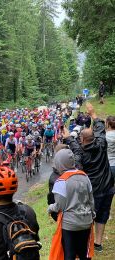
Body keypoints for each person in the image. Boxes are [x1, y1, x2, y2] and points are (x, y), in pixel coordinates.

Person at [64, 103, 114, 252]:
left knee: (89, 216)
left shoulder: (81, 154)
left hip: (92, 190)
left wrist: (68, 138)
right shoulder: (101, 144)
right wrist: (93, 114)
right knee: (103, 215)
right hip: (108, 186)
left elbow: (76, 148)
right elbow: (100, 129)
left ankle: (89, 243)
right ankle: (98, 243)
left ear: (82, 139)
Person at [48, 149, 95, 260]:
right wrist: (92, 215)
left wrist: (50, 207)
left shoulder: (61, 181)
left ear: (60, 163)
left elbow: (60, 206)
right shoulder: (85, 176)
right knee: (84, 253)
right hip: (86, 221)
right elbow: (91, 200)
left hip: (70, 224)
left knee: (69, 254)